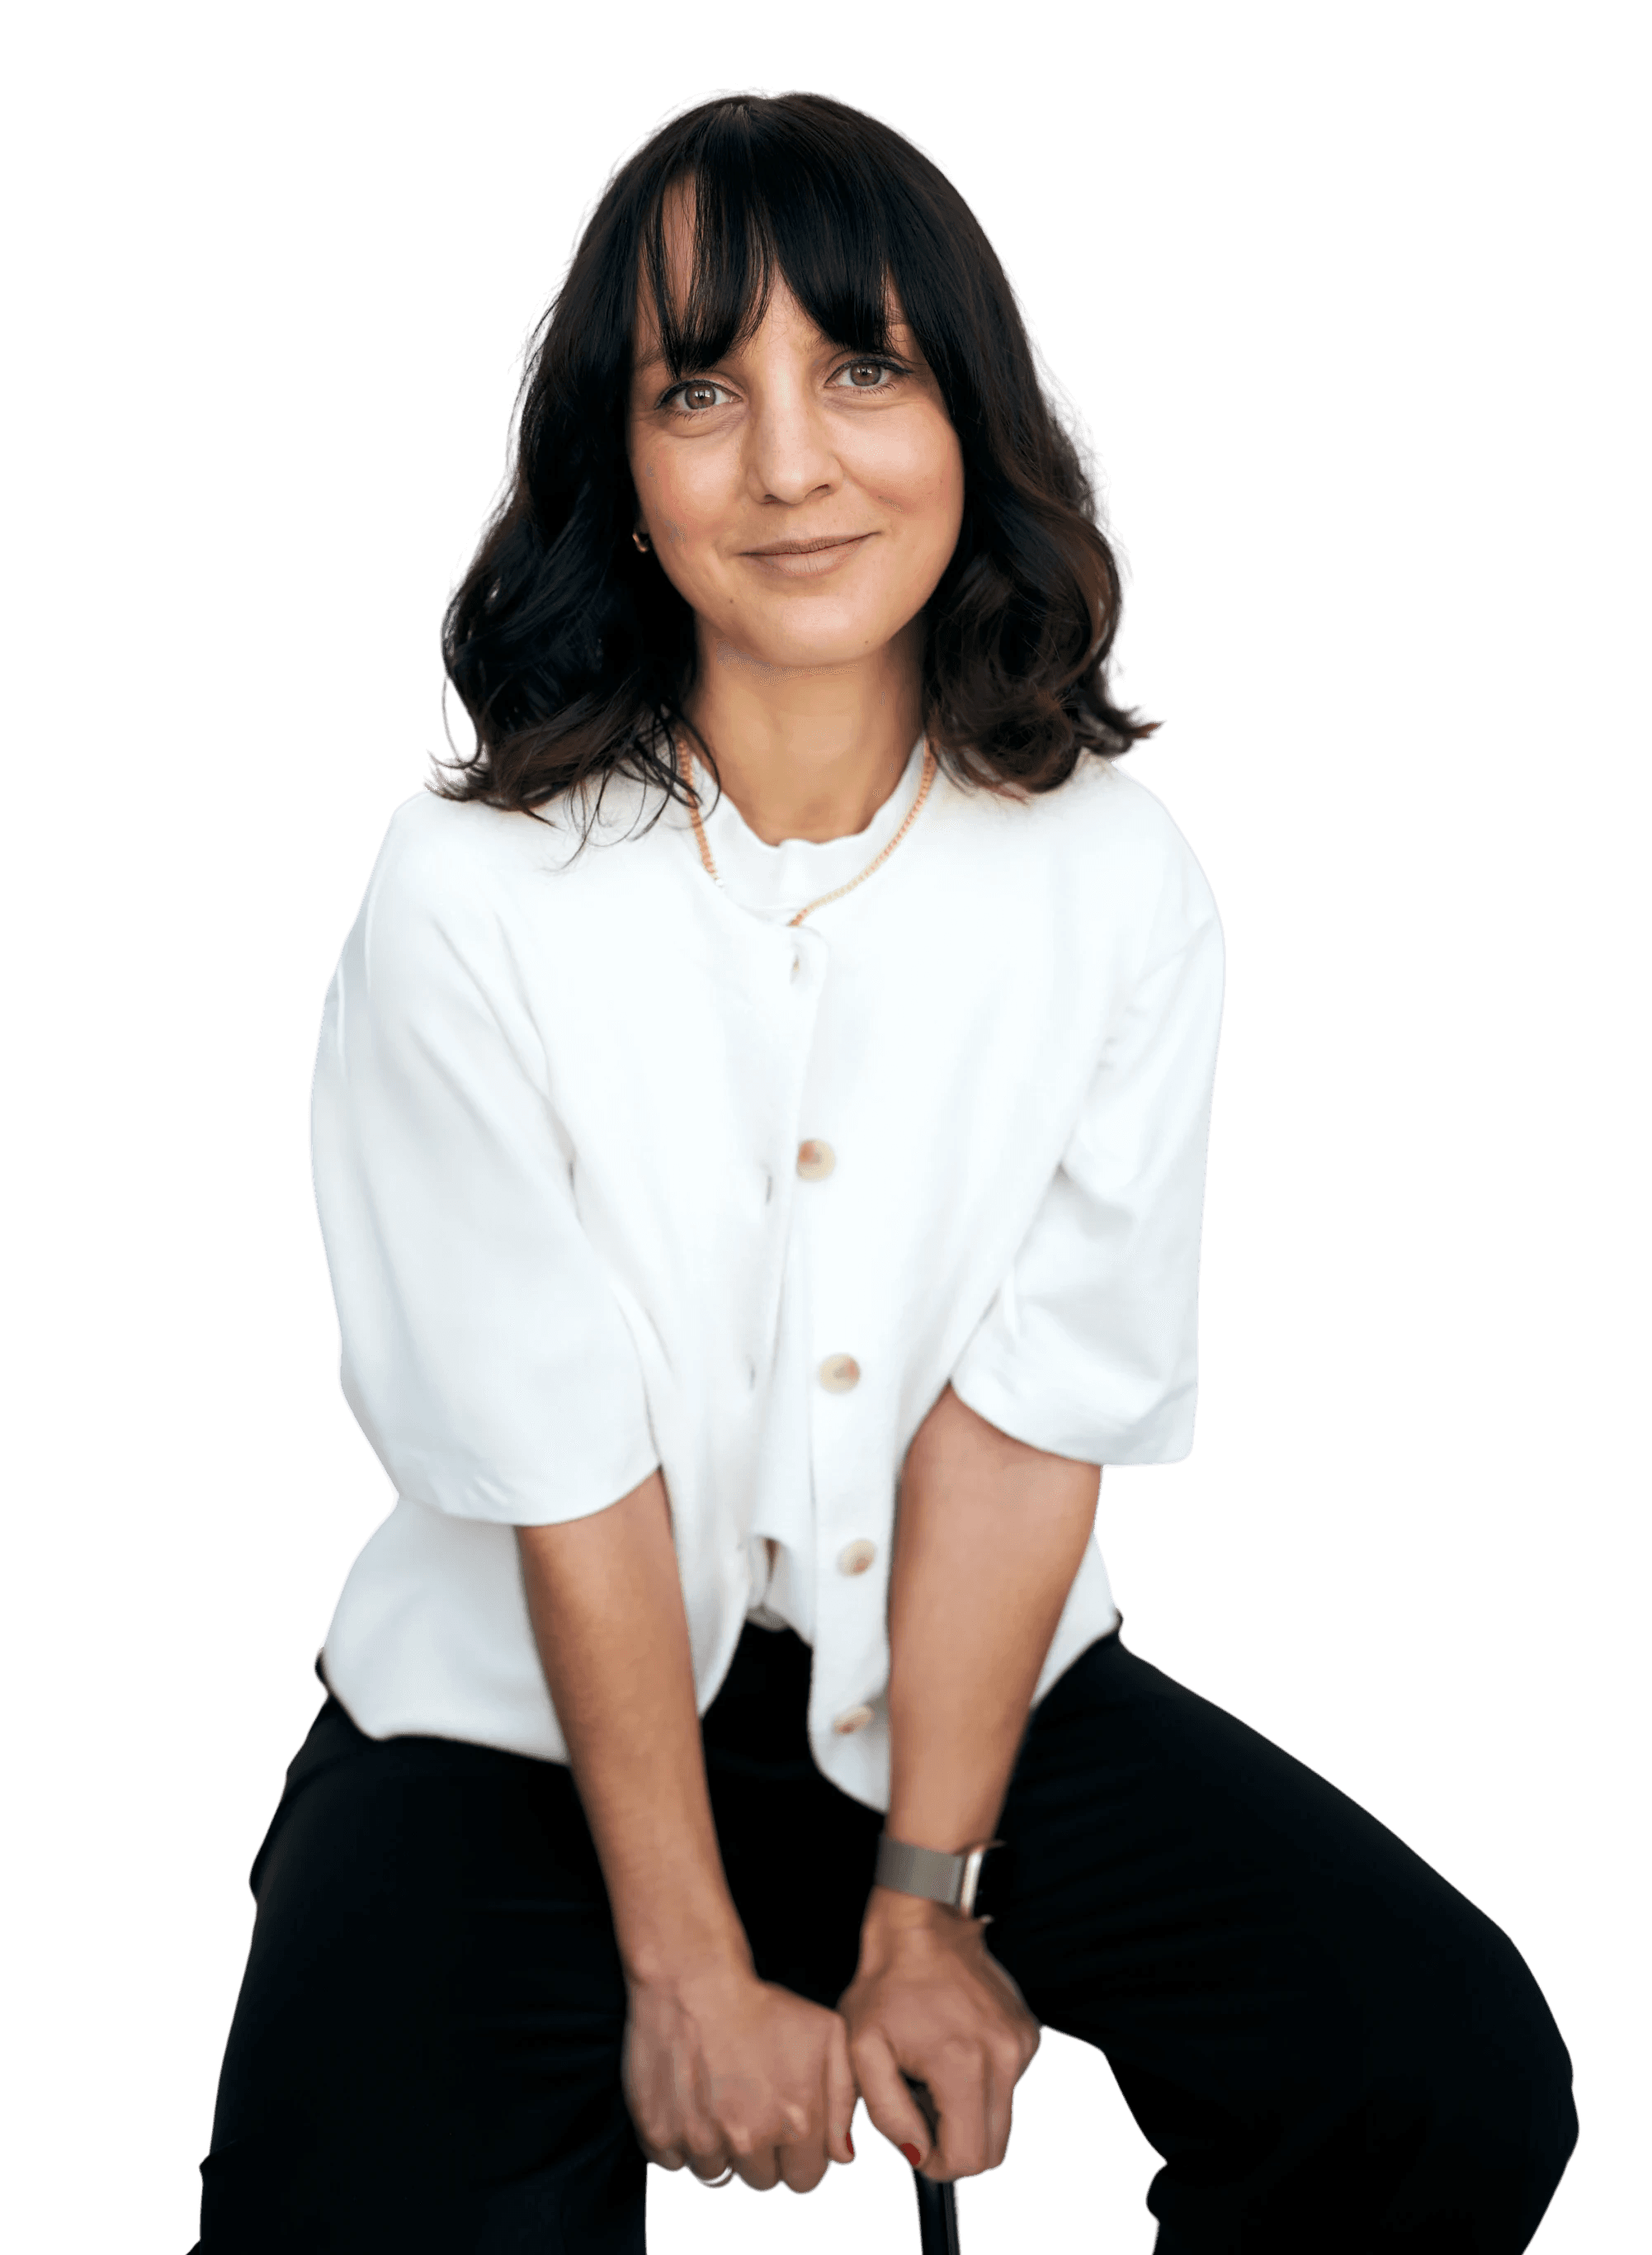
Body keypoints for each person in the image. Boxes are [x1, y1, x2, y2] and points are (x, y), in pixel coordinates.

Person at [190, 87, 1578, 2254]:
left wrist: (926, 1898)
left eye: (862, 369)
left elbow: (1025, 1422)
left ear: (971, 421)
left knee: (1442, 2070)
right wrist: (687, 1970)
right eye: (698, 391)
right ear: (618, 470)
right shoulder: (466, 888)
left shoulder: (1115, 878)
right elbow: (562, 1462)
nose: (789, 465)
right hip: (521, 1706)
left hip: (950, 1677)